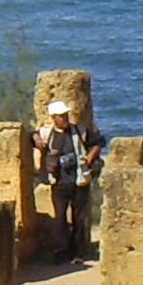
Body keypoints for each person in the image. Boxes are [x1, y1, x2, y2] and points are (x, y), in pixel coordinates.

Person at [34, 97, 103, 262]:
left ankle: (78, 252)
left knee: (79, 218)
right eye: (60, 116)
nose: (64, 118)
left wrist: (88, 159)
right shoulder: (46, 133)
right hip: (58, 182)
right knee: (60, 218)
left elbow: (99, 142)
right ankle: (62, 251)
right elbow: (33, 135)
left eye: (65, 114)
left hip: (79, 181)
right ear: (53, 118)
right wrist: (37, 140)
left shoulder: (80, 131)